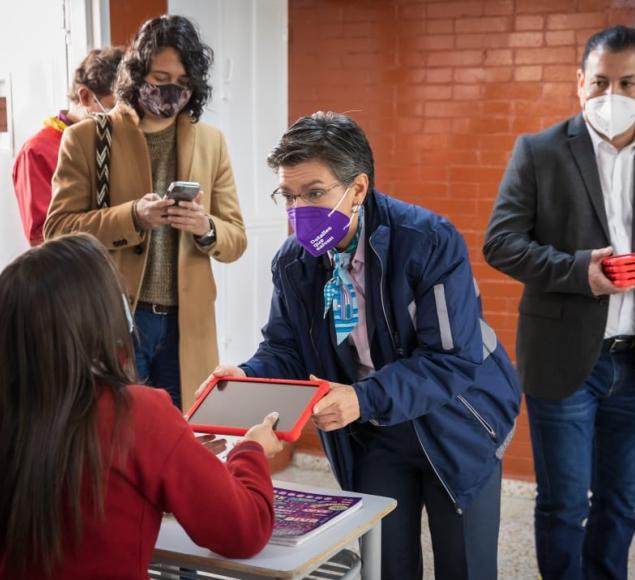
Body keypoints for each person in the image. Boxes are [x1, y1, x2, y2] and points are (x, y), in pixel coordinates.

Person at [198, 112, 521, 579]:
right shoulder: (295, 261)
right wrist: (247, 376)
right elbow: (286, 347)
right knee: (386, 565)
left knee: (464, 566)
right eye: (288, 196)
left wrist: (361, 397)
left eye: (313, 193)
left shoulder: (427, 240)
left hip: (456, 421)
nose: (297, 210)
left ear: (359, 188)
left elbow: (452, 359)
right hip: (374, 434)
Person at [483, 26, 635, 580]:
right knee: (564, 506)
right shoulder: (539, 151)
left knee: (618, 504)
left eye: (626, 82)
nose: (612, 93)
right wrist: (578, 271)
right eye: (599, 81)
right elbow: (501, 243)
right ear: (578, 84)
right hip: (564, 359)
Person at [0, 233, 281, 580]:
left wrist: (171, 463)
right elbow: (244, 530)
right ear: (101, 314)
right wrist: (251, 450)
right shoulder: (136, 413)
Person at [45, 15, 247, 411]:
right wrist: (132, 217)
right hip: (115, 318)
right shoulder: (86, 138)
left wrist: (206, 228)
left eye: (184, 83)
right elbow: (57, 231)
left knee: (180, 440)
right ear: (137, 74)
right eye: (160, 77)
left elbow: (236, 237)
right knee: (113, 436)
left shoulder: (211, 142)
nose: (171, 90)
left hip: (188, 326)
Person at [12, 47, 123, 246]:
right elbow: (42, 237)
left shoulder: (112, 141)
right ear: (85, 97)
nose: (118, 116)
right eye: (112, 106)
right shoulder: (36, 151)